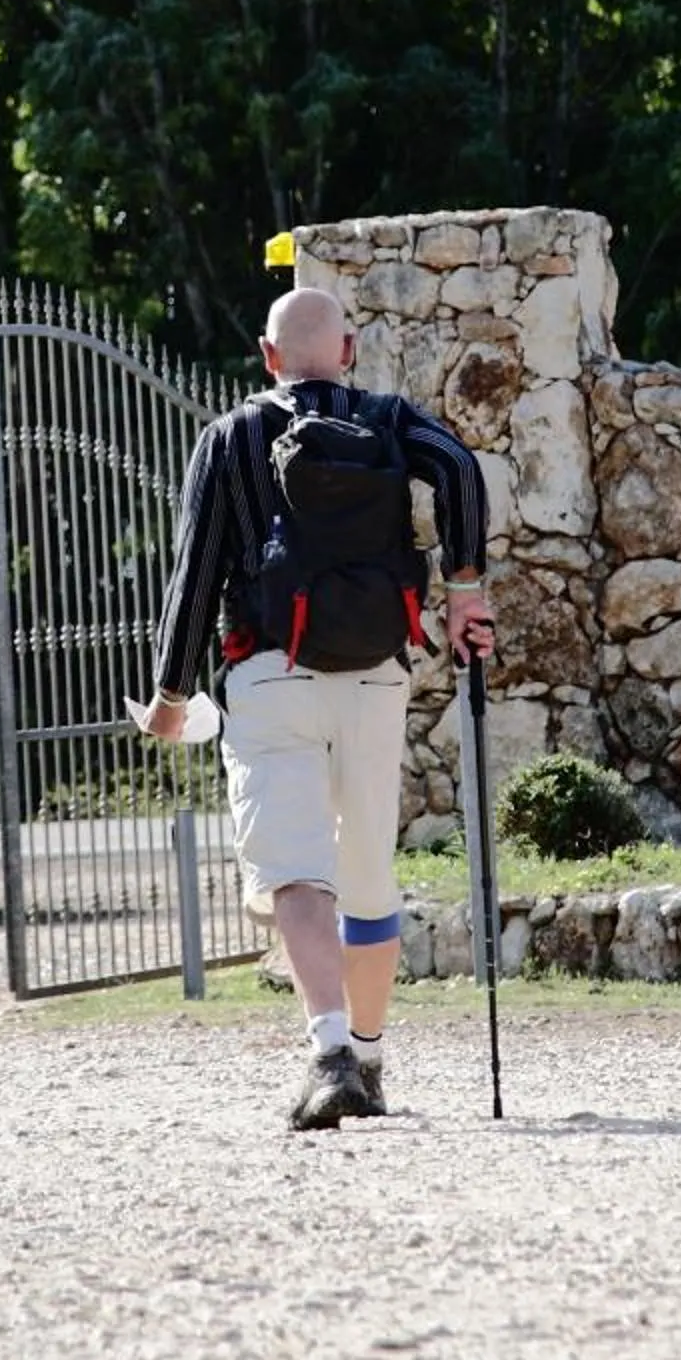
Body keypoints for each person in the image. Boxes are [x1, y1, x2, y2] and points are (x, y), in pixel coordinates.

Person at [142, 286, 494, 1131]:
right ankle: (369, 1062)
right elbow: (460, 469)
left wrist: (169, 694)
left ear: (267, 358)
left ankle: (331, 1052)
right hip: (376, 674)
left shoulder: (231, 437)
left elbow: (196, 574)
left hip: (269, 678)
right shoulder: (389, 418)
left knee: (298, 871)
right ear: (349, 349)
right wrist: (465, 589)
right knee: (369, 874)